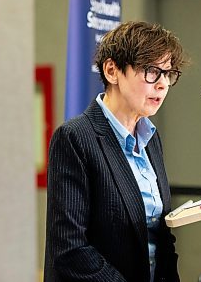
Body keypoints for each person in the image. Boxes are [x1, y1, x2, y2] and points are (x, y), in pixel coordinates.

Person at [44, 21, 188, 282]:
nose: (162, 84)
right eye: (151, 71)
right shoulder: (75, 138)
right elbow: (70, 249)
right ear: (112, 71)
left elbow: (161, 237)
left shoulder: (150, 138)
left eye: (168, 73)